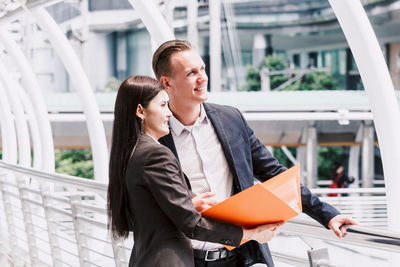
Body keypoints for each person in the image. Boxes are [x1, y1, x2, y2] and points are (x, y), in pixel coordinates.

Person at [152, 40, 358, 267]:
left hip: (237, 258)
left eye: (202, 68)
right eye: (192, 73)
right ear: (167, 83)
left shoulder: (230, 119)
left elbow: (275, 173)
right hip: (181, 259)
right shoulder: (153, 136)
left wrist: (327, 214)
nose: (203, 77)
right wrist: (186, 204)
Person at [107, 75, 284, 267]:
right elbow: (193, 225)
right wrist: (252, 234)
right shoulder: (155, 154)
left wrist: (187, 203)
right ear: (141, 111)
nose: (169, 113)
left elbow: (148, 209)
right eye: (163, 105)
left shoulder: (132, 152)